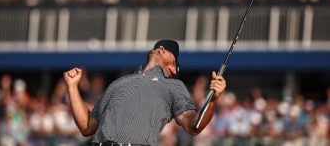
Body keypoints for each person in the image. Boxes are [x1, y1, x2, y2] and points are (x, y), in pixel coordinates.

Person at [63, 40, 227, 146]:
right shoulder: (119, 82)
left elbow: (193, 126)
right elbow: (87, 127)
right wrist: (72, 87)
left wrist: (213, 99)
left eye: (168, 51)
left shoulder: (173, 85)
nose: (160, 48)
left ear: (172, 69)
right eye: (160, 47)